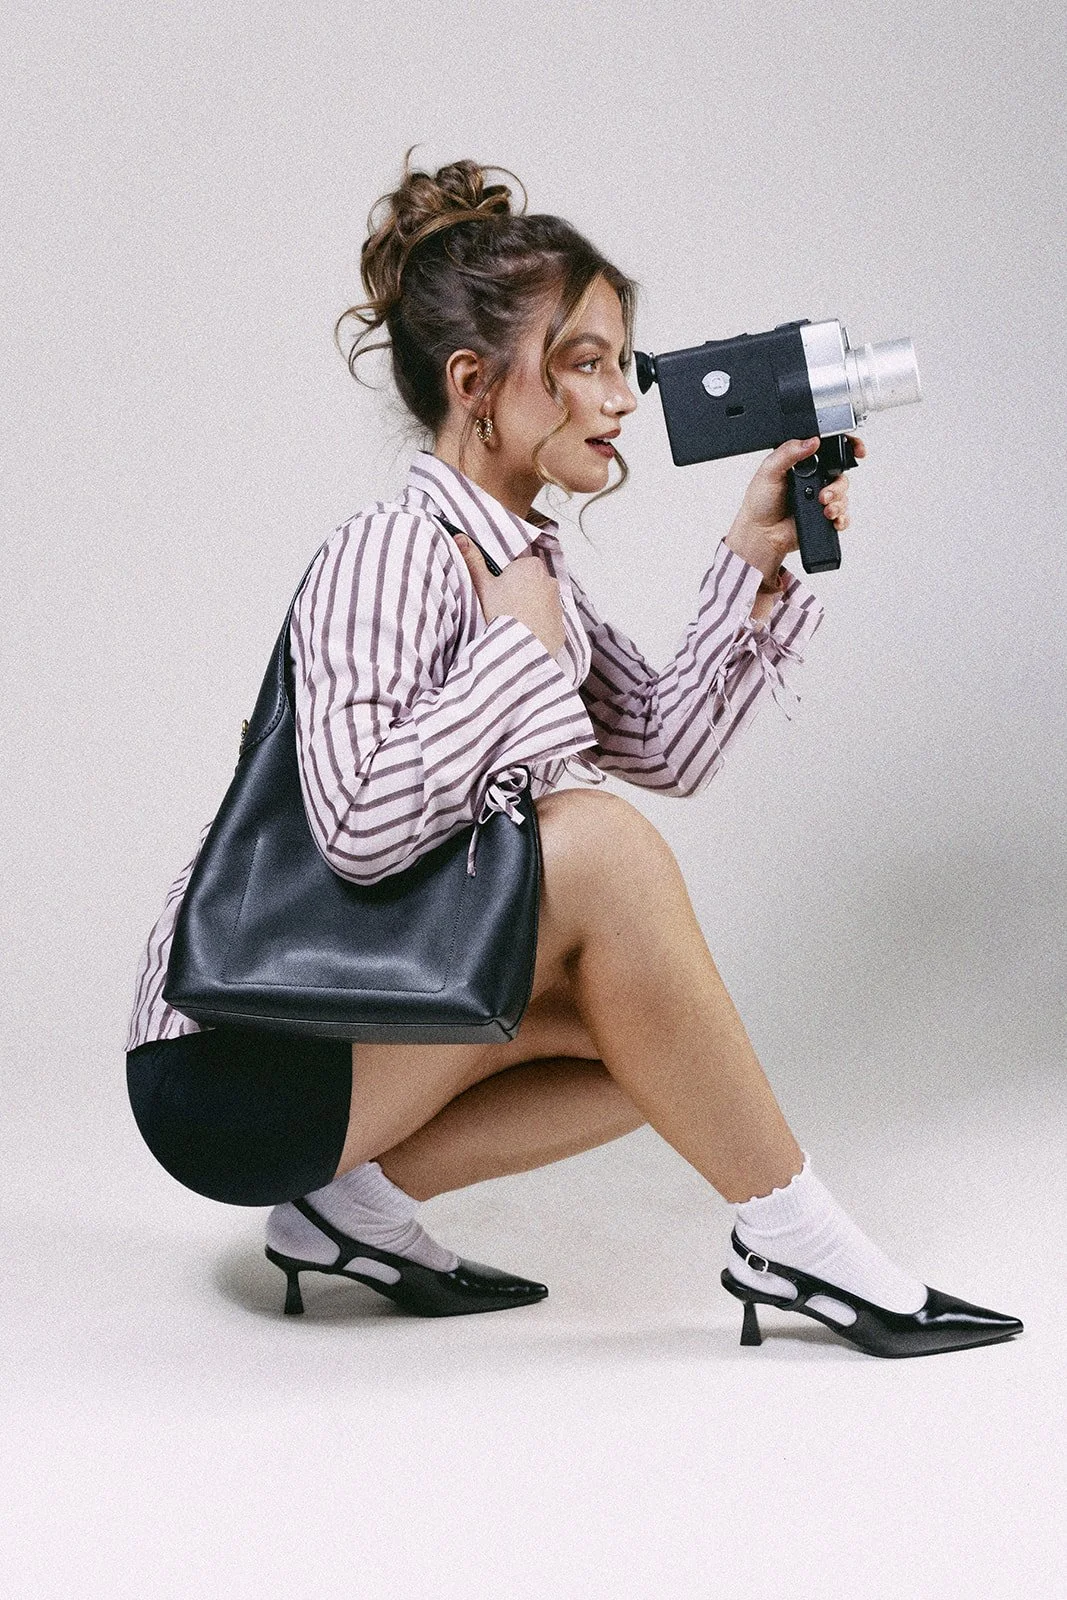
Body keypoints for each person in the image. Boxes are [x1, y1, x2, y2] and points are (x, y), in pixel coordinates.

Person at [125, 151, 1021, 1356]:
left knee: (648, 1028)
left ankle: (347, 1211)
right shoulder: (391, 549)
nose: (618, 398)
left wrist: (752, 561)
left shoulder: (526, 567)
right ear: (474, 383)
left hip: (332, 1045)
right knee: (593, 846)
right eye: (584, 363)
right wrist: (506, 655)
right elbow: (350, 829)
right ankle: (800, 1244)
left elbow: (662, 745)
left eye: (617, 363)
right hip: (231, 1061)